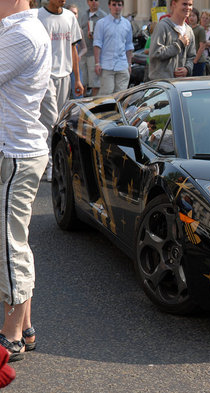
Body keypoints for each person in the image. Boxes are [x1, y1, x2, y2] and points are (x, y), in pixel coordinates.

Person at [0, 0, 52, 362]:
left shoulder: (22, 34)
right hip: (18, 150)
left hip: (16, 154)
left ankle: (11, 335)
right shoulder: (17, 30)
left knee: (9, 244)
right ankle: (27, 328)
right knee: (16, 240)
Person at [38, 0, 84, 182]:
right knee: (51, 120)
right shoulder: (38, 17)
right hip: (45, 75)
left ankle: (52, 161)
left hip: (64, 75)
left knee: (58, 123)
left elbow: (73, 48)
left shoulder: (69, 17)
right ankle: (50, 166)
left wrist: (78, 79)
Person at [93, 0, 133, 95]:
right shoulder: (101, 23)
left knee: (121, 95)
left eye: (119, 5)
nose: (117, 7)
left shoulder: (127, 24)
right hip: (107, 65)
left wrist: (129, 63)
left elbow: (129, 45)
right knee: (106, 95)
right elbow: (97, 44)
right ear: (109, 6)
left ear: (122, 6)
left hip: (122, 65)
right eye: (114, 5)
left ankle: (119, 110)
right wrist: (97, 63)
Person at [149, 0, 196, 80]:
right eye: (184, 4)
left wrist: (187, 69)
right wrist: (179, 44)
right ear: (174, 4)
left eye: (190, 5)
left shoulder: (189, 31)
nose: (188, 8)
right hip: (162, 84)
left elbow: (191, 57)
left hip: (180, 85)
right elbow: (155, 53)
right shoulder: (162, 26)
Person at [78, 0, 107, 96]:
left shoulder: (103, 17)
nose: (94, 2)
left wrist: (94, 36)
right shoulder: (83, 15)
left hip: (94, 56)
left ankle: (93, 107)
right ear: (87, 2)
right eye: (91, 0)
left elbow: (106, 37)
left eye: (96, 0)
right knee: (82, 82)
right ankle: (82, 105)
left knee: (95, 83)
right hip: (82, 53)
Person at [65, 4, 87, 99]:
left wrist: (79, 55)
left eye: (75, 13)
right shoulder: (63, 28)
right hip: (64, 66)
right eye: (71, 13)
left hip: (75, 67)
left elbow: (84, 48)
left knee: (78, 94)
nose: (73, 15)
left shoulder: (79, 30)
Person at [188, 8, 206, 76]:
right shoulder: (187, 28)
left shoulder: (200, 29)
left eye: (193, 16)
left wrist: (195, 60)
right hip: (189, 61)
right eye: (190, 16)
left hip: (199, 61)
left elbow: (202, 46)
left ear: (197, 17)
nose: (191, 18)